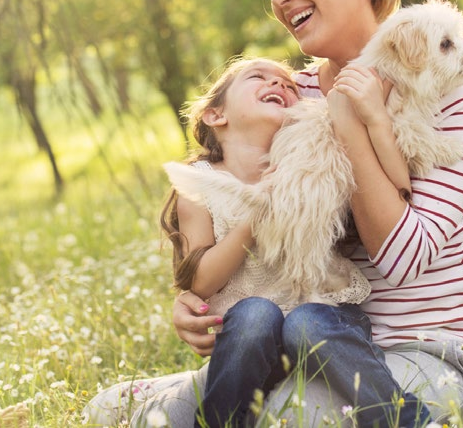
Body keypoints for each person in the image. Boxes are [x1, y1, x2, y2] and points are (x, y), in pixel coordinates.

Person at [83, 0, 463, 427]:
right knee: (109, 411)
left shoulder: (451, 88)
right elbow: (243, 209)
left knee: (281, 420)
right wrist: (197, 298)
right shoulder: (287, 98)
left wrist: (350, 120)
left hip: (423, 349)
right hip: (295, 341)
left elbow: (401, 257)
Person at [159, 55, 401, 427]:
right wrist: (256, 215)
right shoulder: (201, 182)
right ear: (215, 115)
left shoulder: (310, 164)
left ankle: (406, 418)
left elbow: (392, 187)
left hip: (323, 320)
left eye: (289, 86)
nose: (280, 86)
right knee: (257, 314)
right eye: (259, 77)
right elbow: (201, 281)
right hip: (248, 342)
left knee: (307, 322)